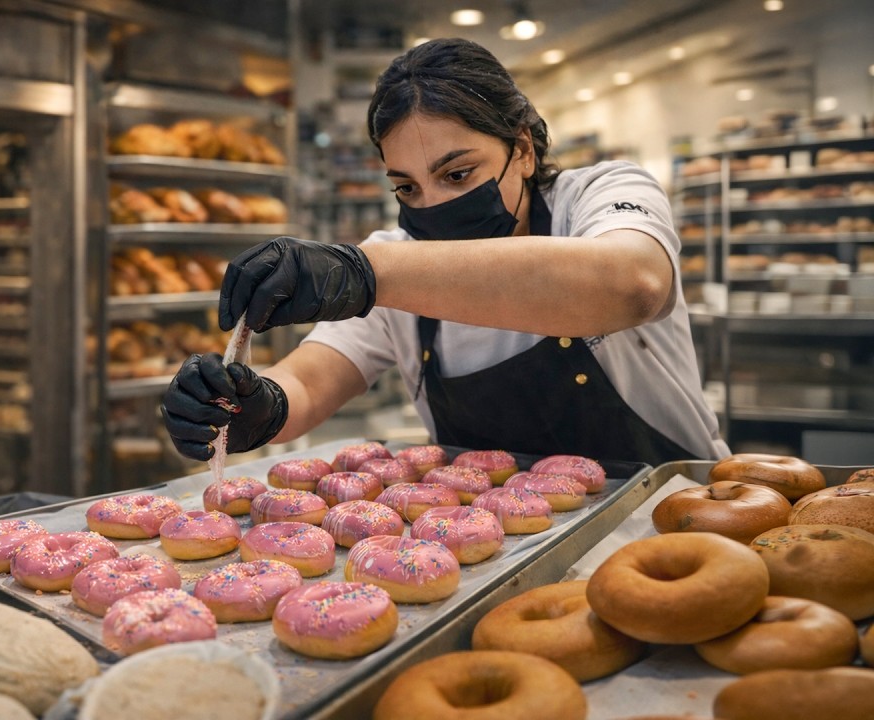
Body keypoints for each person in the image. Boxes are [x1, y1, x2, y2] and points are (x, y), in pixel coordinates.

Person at [162, 38, 729, 467]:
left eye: (458, 174)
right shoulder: (396, 262)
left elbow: (634, 284)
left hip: (670, 518)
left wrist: (364, 275)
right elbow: (309, 383)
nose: (433, 206)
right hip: (498, 562)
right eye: (406, 188)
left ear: (524, 149)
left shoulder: (598, 196)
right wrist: (254, 406)